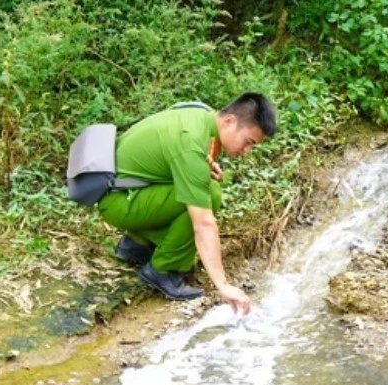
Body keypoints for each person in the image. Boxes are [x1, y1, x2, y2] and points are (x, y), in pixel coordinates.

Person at [98, 93, 276, 314]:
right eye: (248, 142)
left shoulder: (201, 114)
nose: (247, 151)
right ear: (230, 121)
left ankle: (137, 244)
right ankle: (162, 270)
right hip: (119, 201)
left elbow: (168, 150)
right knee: (206, 197)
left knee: (206, 189)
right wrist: (223, 284)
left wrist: (205, 163)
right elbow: (203, 223)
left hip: (124, 188)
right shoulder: (191, 143)